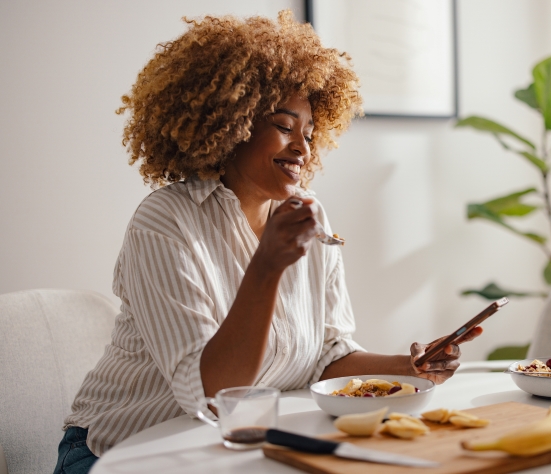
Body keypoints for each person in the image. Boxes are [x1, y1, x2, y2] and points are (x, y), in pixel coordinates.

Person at [53, 11, 482, 474]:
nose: (303, 148)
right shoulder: (165, 222)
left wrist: (410, 367)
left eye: (310, 133)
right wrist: (267, 265)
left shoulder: (308, 218)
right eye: (283, 125)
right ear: (229, 122)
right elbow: (212, 398)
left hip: (227, 451)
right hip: (115, 453)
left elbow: (329, 356)